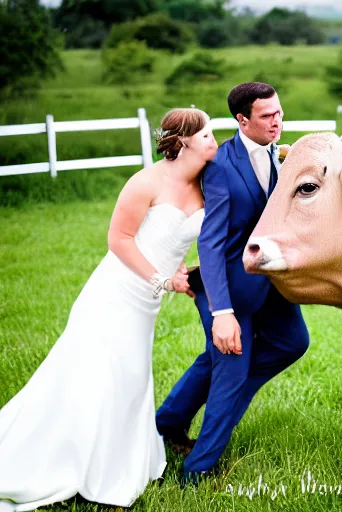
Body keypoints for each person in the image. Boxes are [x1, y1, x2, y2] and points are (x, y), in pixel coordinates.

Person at [0, 108, 217, 511]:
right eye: (206, 134)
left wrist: (181, 273)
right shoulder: (147, 181)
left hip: (148, 301)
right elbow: (119, 238)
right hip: (116, 293)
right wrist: (163, 280)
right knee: (98, 374)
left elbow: (185, 239)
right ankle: (74, 463)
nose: (213, 140)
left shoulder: (206, 183)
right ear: (185, 141)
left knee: (131, 376)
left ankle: (119, 459)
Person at [155, 82, 310, 483]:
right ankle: (198, 470)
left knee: (293, 343)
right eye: (266, 116)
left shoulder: (279, 153)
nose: (277, 121)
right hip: (225, 288)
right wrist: (222, 313)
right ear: (242, 120)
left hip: (267, 281)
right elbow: (211, 240)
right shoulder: (223, 165)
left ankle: (167, 422)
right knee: (230, 368)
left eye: (279, 112)